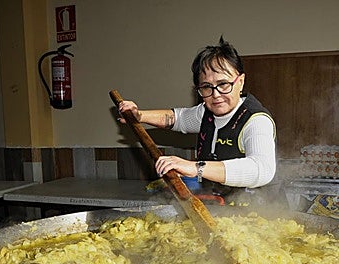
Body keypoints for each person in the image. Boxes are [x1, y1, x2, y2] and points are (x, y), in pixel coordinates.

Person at [118, 36, 277, 206]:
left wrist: (196, 168)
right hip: (222, 209)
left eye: (223, 84)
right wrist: (139, 116)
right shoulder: (207, 112)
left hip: (260, 214)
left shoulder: (256, 120)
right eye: (207, 87)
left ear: (241, 81)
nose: (216, 95)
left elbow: (262, 169)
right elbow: (176, 118)